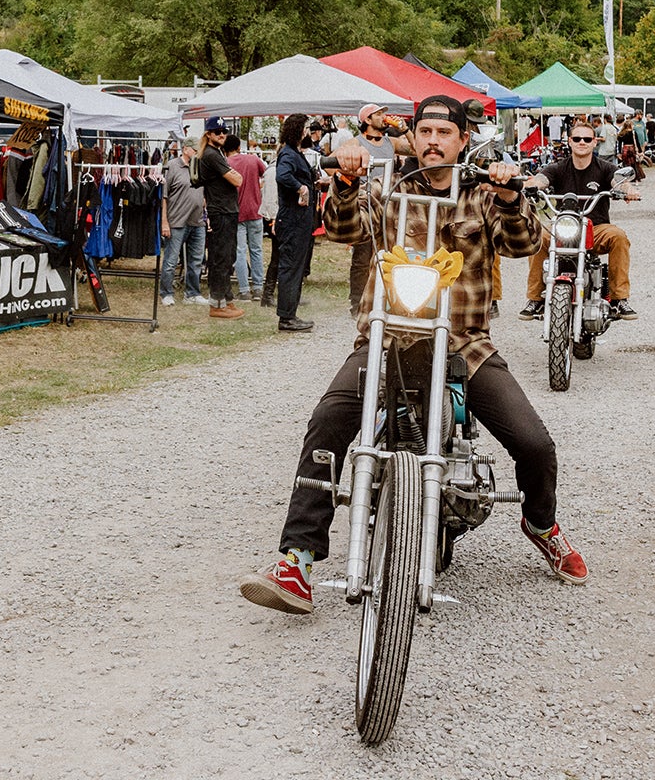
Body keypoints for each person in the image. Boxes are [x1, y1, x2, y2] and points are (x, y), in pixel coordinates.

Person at [239, 94, 586, 615]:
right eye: (424, 131)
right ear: (413, 137)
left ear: (462, 139)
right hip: (389, 338)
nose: (432, 141)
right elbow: (343, 227)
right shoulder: (391, 188)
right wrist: (349, 181)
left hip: (465, 344)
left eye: (444, 133)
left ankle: (541, 524)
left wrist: (512, 193)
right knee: (328, 420)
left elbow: (524, 244)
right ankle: (297, 561)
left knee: (535, 443)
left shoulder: (482, 195)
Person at [520, 118, 639, 320]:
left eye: (586, 139)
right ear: (569, 141)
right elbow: (542, 179)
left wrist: (628, 190)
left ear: (595, 142)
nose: (581, 142)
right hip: (563, 226)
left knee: (619, 236)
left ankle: (620, 299)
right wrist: (532, 186)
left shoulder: (604, 168)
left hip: (597, 227)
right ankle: (535, 299)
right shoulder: (558, 167)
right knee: (538, 237)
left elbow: (618, 182)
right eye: (577, 138)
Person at [347, 103, 401, 314]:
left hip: (389, 203)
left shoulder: (391, 142)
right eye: (379, 114)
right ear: (367, 120)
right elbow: (334, 162)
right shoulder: (356, 141)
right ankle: (356, 303)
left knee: (390, 253)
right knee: (362, 255)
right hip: (367, 201)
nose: (384, 117)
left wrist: (405, 130)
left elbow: (416, 149)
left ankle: (388, 300)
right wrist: (354, 181)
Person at [271, 114, 317, 334]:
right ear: (298, 130)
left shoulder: (296, 153)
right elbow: (283, 176)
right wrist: (301, 187)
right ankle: (287, 317)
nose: (309, 132)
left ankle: (291, 313)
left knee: (296, 267)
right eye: (307, 128)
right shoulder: (288, 154)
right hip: (292, 221)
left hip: (300, 221)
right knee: (290, 267)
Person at [196, 117, 244, 319]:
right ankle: (217, 304)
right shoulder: (211, 155)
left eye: (224, 130)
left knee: (228, 256)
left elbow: (236, 179)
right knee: (221, 258)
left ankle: (227, 299)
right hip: (221, 211)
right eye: (217, 131)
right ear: (208, 134)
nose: (222, 134)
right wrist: (233, 174)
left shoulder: (216, 153)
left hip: (227, 210)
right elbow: (237, 179)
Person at [160, 141, 208, 307]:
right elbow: (164, 197)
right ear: (185, 149)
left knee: (196, 260)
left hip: (198, 220)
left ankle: (193, 293)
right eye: (195, 149)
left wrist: (205, 211)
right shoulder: (172, 166)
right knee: (171, 260)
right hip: (176, 221)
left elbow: (204, 192)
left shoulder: (200, 167)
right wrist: (164, 222)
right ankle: (166, 293)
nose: (197, 152)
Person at [226, 134, 266, 301]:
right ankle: (258, 288)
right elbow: (265, 173)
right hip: (256, 211)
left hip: (237, 213)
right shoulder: (253, 159)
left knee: (240, 251)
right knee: (256, 250)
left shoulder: (226, 164)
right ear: (238, 147)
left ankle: (244, 290)